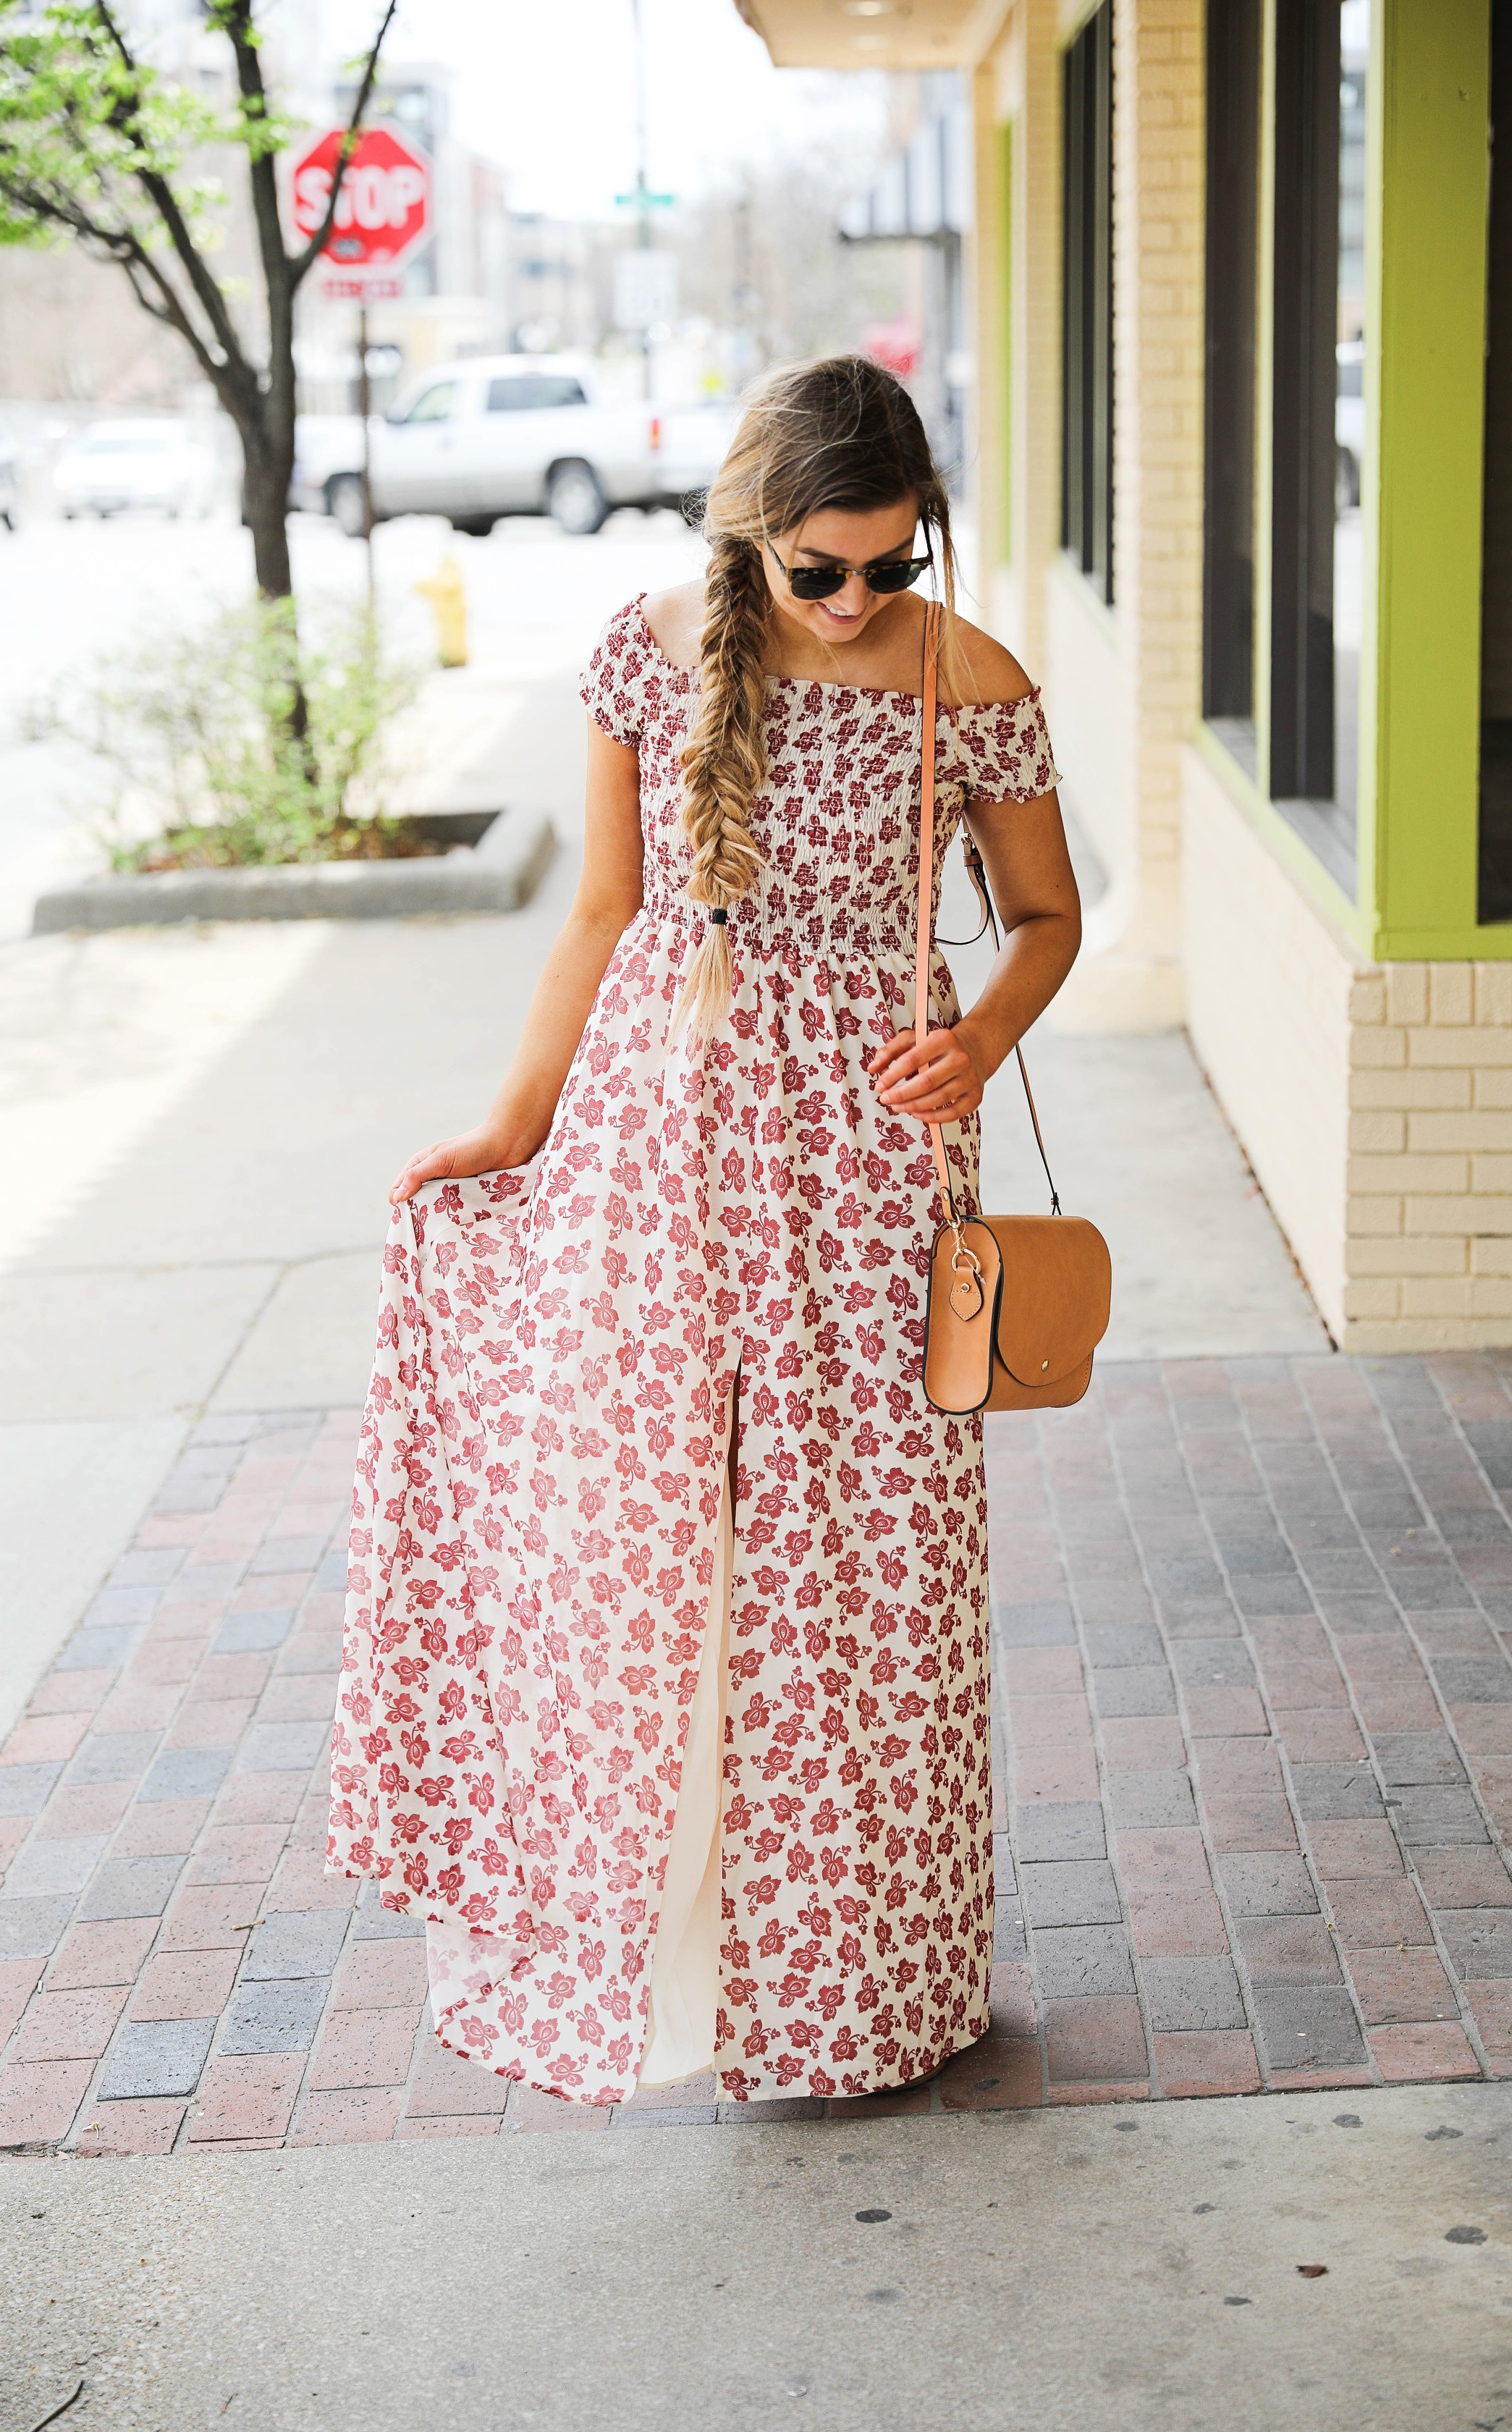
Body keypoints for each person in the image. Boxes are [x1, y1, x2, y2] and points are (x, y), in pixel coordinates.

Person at [327, 355, 1081, 2106]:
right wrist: (509, 1128)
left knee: (866, 1573)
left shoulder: (969, 680)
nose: (853, 602)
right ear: (749, 533)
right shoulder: (640, 652)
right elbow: (601, 911)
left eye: (889, 564)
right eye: (818, 569)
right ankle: (653, 1965)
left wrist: (977, 1037)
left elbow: (1041, 913)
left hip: (869, 1189)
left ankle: (856, 1990)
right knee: (650, 1548)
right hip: (652, 1162)